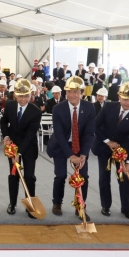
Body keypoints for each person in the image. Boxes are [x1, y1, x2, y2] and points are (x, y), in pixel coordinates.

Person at [92, 82, 129, 219]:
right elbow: (96, 126)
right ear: (119, 97)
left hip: (123, 151)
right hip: (104, 147)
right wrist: (107, 141)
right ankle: (106, 206)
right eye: (125, 99)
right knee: (104, 177)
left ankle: (125, 208)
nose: (128, 103)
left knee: (125, 178)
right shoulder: (108, 107)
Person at [47, 76, 95, 219]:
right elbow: (60, 135)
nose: (72, 95)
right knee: (60, 175)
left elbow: (89, 133)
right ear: (65, 92)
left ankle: (80, 206)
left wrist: (84, 155)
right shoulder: (58, 109)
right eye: (69, 91)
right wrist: (70, 155)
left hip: (80, 145)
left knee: (83, 176)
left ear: (82, 93)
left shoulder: (89, 108)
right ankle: (57, 203)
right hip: (61, 145)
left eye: (76, 91)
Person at [1, 79, 42, 217]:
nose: (23, 99)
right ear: (15, 95)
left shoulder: (35, 111)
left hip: (28, 148)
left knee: (29, 177)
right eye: (20, 96)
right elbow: (3, 120)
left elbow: (31, 135)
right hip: (12, 147)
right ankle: (12, 204)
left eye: (26, 96)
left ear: (30, 95)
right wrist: (6, 136)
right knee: (14, 176)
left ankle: (30, 205)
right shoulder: (10, 105)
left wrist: (20, 152)